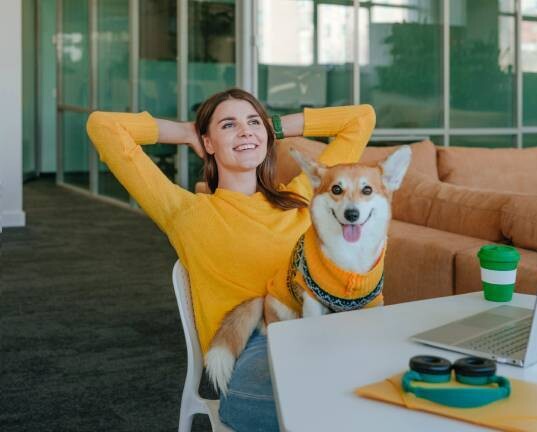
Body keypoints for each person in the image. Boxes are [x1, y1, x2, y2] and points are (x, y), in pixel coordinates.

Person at [86, 88, 375, 431]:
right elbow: (102, 125)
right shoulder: (185, 211)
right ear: (208, 143)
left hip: (319, 333)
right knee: (332, 405)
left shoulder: (303, 195)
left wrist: (272, 127)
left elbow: (361, 118)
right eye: (228, 125)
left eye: (252, 122)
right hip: (250, 352)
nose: (245, 131)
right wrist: (187, 132)